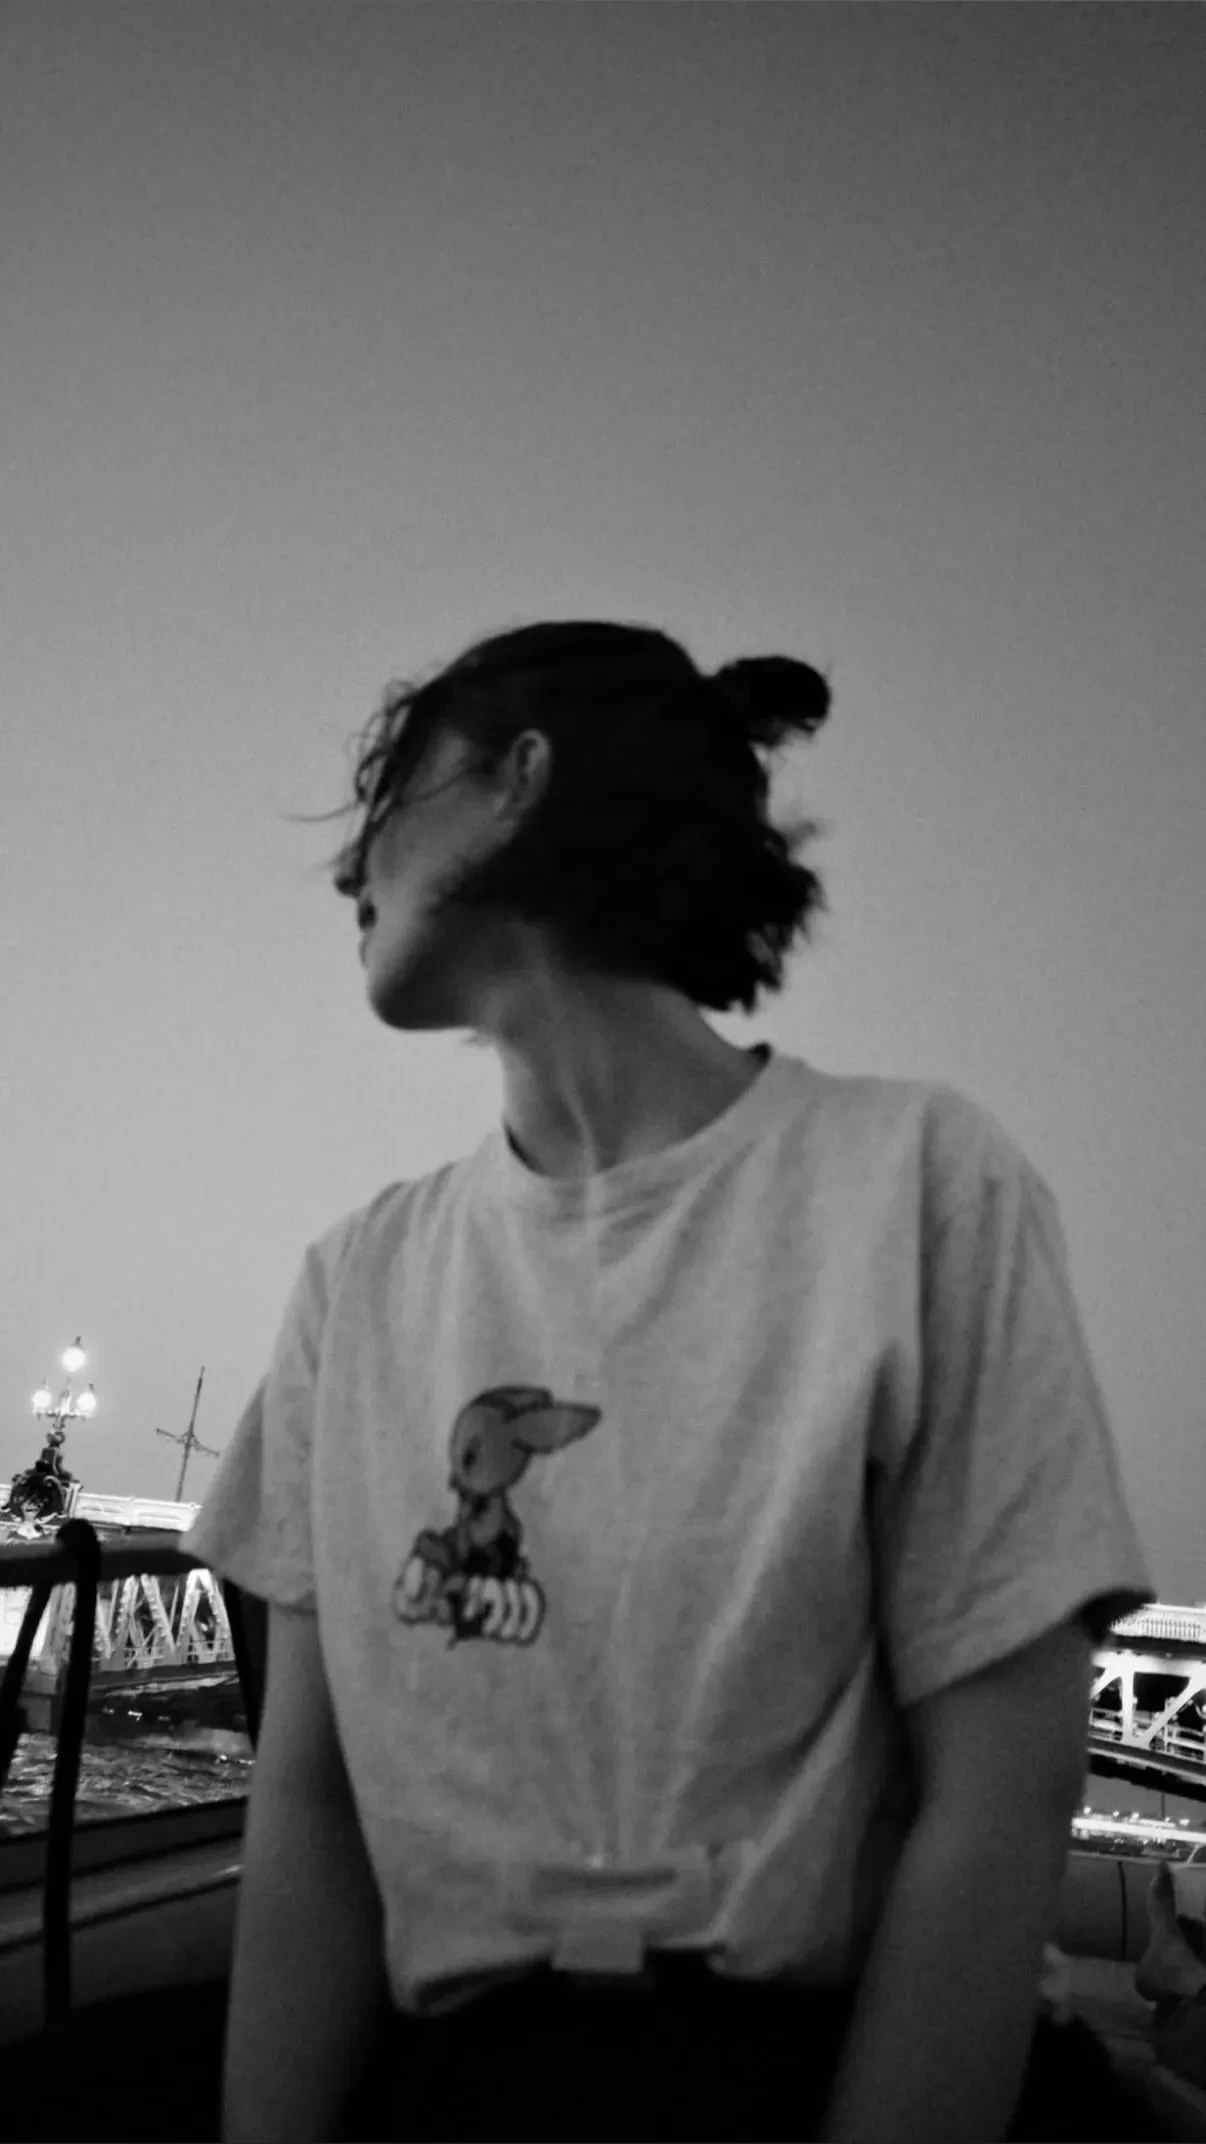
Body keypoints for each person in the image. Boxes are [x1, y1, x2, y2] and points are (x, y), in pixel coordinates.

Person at [185, 618, 1156, 2143]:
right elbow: (311, 1808)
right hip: (452, 2091)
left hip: (797, 2075)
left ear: (518, 779)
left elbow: (999, 1797)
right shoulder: (359, 1280)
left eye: (386, 796)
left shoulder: (911, 1184)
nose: (347, 872)